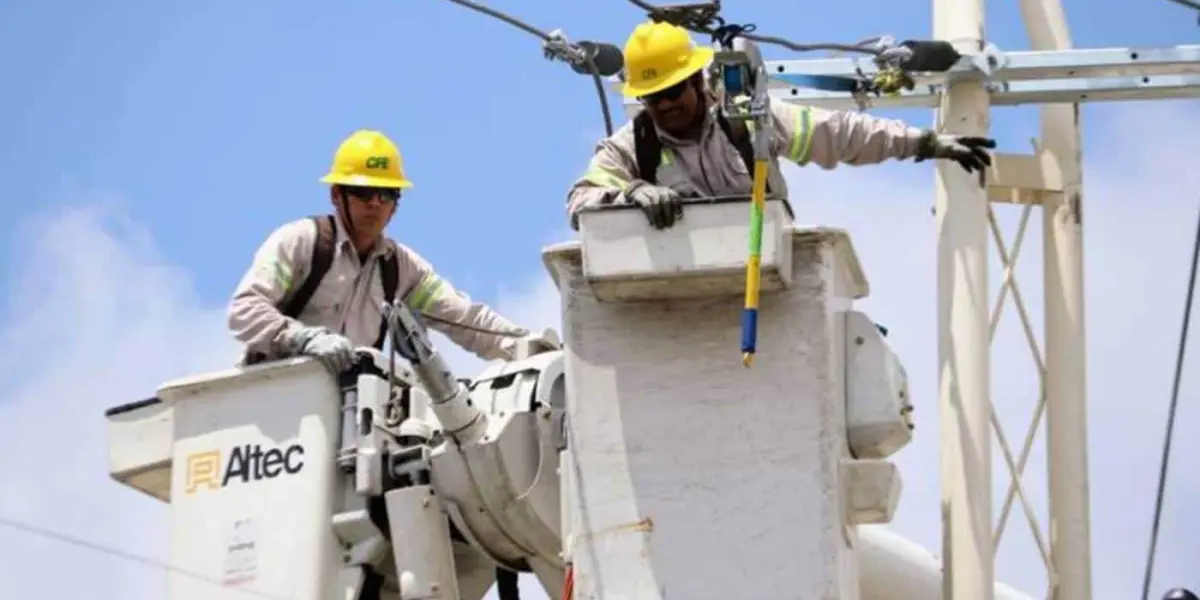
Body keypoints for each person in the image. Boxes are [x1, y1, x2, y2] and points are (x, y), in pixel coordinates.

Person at [566, 21, 998, 230]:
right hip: (679, 284)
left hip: (761, 270)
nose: (665, 105)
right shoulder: (630, 147)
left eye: (673, 91)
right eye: (653, 97)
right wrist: (631, 192)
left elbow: (842, 134)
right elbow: (580, 202)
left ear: (697, 81)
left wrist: (926, 143)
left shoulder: (748, 122)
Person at [228, 129, 548, 373]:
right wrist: (302, 339)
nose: (375, 204)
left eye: (386, 194)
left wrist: (529, 347)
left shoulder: (402, 271)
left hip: (343, 416)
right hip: (275, 400)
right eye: (365, 192)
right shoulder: (300, 242)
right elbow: (245, 310)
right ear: (337, 196)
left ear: (397, 204)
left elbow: (466, 319)